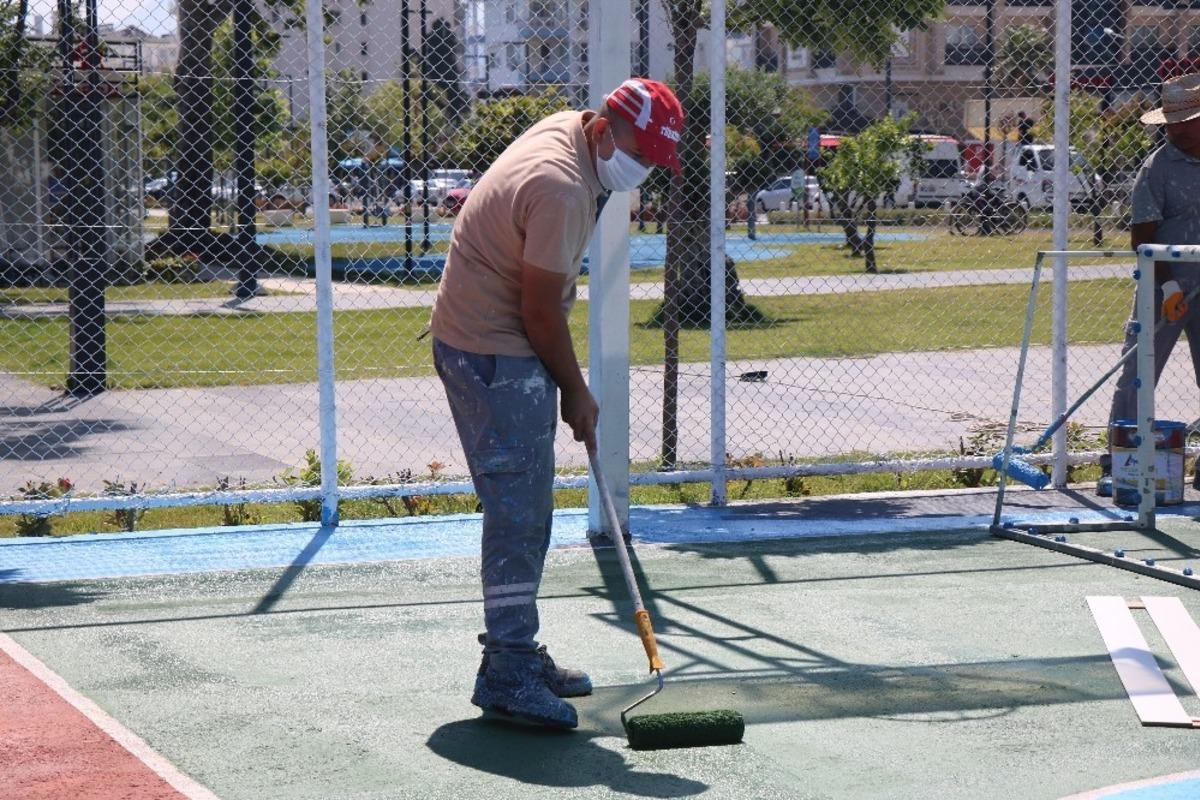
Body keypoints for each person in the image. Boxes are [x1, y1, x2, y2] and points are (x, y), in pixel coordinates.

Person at [428, 78, 684, 728]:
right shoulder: (563, 186)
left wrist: (566, 389)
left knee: (529, 503)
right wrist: (576, 389)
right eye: (640, 153)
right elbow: (538, 311)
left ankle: (512, 655)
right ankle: (509, 672)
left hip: (499, 336)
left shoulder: (576, 137)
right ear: (603, 131)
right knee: (519, 510)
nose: (644, 169)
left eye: (655, 159)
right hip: (491, 346)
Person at [1098, 73, 1200, 497]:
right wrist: (1168, 288)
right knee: (1138, 373)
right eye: (1170, 121)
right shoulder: (1156, 168)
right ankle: (1120, 458)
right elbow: (1143, 237)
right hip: (1166, 288)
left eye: (1184, 120)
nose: (1175, 129)